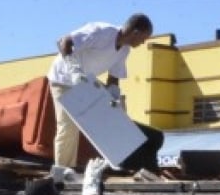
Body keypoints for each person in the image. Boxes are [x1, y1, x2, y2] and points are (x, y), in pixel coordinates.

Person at [46, 13, 164, 173]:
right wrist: (74, 70)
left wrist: (113, 97)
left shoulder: (124, 51)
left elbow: (114, 78)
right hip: (63, 79)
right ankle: (61, 172)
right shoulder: (101, 32)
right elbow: (64, 42)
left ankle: (121, 162)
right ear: (135, 33)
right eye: (143, 38)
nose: (143, 43)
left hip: (85, 82)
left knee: (112, 118)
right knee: (68, 126)